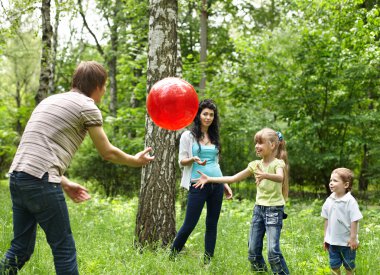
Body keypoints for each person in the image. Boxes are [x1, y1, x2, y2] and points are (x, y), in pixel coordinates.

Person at [0, 61, 154, 275]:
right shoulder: (87, 106)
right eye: (105, 85)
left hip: (18, 178)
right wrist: (134, 160)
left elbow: (37, 152)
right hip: (40, 180)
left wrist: (63, 181)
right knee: (64, 249)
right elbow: (107, 152)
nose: (105, 90)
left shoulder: (50, 101)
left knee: (20, 249)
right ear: (98, 85)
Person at [195, 127, 289, 274]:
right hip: (259, 210)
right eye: (256, 143)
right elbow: (233, 178)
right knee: (252, 252)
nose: (257, 146)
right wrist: (209, 179)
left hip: (274, 210)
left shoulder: (278, 163)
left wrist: (265, 175)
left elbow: (280, 177)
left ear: (272, 145)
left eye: (261, 143)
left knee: (273, 252)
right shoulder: (254, 165)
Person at [170, 99, 233, 263]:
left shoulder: (214, 136)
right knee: (189, 224)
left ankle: (208, 262)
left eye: (211, 114)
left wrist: (224, 183)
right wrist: (193, 159)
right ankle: (171, 256)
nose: (208, 117)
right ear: (198, 115)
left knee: (212, 224)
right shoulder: (188, 135)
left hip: (216, 184)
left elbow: (215, 163)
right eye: (205, 114)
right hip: (197, 184)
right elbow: (181, 161)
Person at [321, 168, 363, 275]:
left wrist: (353, 238)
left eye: (335, 180)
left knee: (349, 266)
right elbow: (327, 219)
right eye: (331, 180)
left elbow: (355, 220)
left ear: (345, 185)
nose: (331, 183)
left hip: (347, 243)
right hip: (333, 242)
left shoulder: (350, 201)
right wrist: (326, 237)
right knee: (334, 266)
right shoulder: (329, 199)